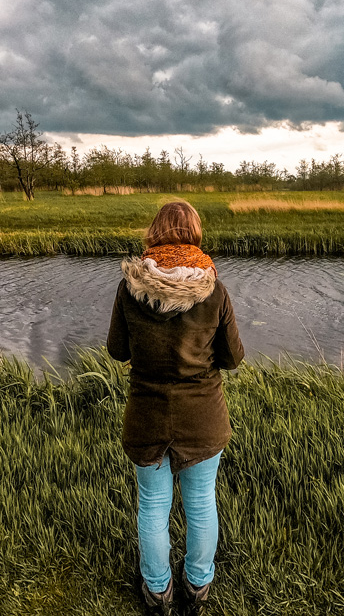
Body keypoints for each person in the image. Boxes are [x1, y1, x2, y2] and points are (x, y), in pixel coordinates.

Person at [107, 200, 244, 616]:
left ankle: (157, 592)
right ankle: (198, 587)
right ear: (195, 233)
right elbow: (233, 358)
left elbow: (116, 350)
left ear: (155, 232)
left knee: (152, 505)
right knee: (201, 502)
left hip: (146, 415)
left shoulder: (129, 287)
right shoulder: (214, 290)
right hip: (202, 416)